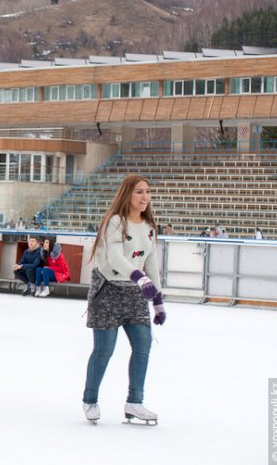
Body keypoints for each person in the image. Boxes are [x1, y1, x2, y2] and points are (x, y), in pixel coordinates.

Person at [82, 175, 166, 425]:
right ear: (127, 195)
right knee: (104, 350)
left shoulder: (149, 227)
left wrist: (158, 301)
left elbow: (152, 264)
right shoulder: (115, 222)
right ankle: (90, 399)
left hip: (133, 294)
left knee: (143, 347)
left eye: (148, 192)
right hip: (107, 290)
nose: (145, 197)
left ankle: (135, 402)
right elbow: (116, 258)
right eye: (139, 192)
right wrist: (141, 279)